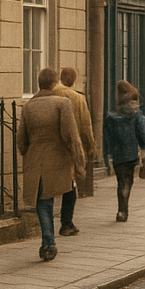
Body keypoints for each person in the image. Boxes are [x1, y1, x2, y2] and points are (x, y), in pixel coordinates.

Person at [16, 67, 85, 260]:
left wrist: (28, 155)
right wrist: (78, 161)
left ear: (39, 84)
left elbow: (21, 139)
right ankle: (50, 241)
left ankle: (47, 242)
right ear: (54, 84)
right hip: (58, 159)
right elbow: (71, 136)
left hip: (35, 160)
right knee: (52, 198)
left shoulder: (28, 106)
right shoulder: (63, 103)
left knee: (42, 203)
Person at [54, 67, 95, 236]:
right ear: (73, 81)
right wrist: (90, 148)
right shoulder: (77, 99)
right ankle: (66, 223)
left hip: (51, 148)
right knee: (70, 186)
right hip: (70, 149)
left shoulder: (50, 94)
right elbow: (85, 127)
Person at [102, 80, 145, 222]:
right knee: (128, 181)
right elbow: (142, 133)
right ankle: (123, 209)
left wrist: (109, 151)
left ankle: (121, 209)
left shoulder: (111, 116)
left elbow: (107, 136)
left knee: (121, 180)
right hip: (131, 153)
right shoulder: (136, 114)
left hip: (118, 154)